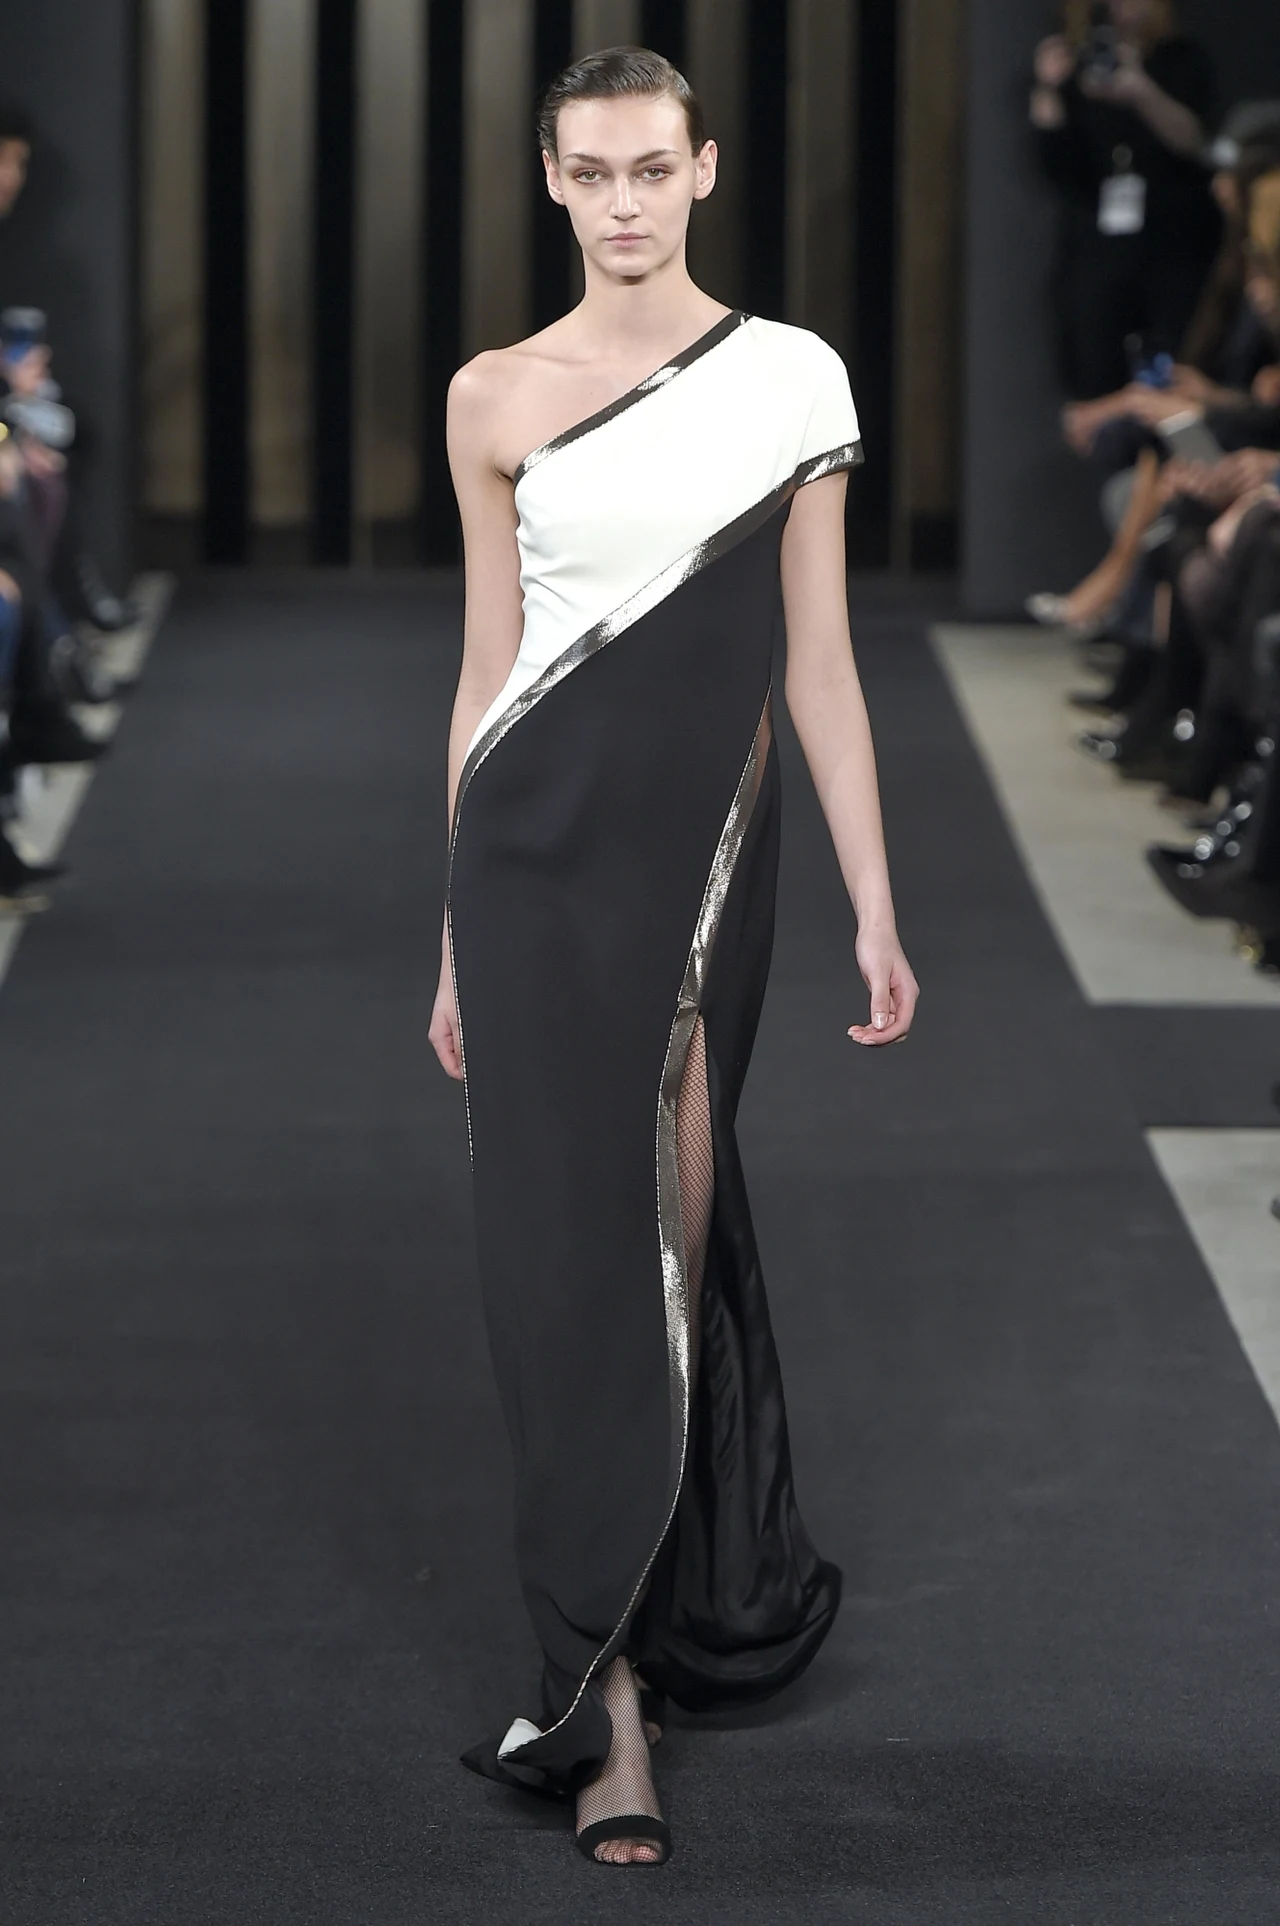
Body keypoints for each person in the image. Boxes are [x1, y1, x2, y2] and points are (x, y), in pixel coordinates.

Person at [428, 46, 918, 1869]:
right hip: (528, 871)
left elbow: (823, 664)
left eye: (653, 167)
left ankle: (640, 1618)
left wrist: (874, 898)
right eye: (592, 171)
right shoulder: (494, 394)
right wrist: (452, 931)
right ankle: (603, 1695)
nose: (623, 201)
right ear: (552, 181)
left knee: (662, 1250)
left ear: (703, 169)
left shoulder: (791, 376)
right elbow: (486, 670)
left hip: (708, 871)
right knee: (555, 1272)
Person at [1031, 1, 1220, 399]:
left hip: (1171, 247)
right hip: (1099, 252)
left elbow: (1196, 144)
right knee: (1095, 371)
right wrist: (1049, 89)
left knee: (1176, 372)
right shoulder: (1076, 67)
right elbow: (1056, 168)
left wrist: (1140, 91)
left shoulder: (1180, 59)